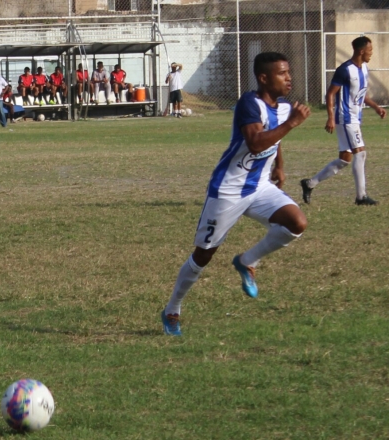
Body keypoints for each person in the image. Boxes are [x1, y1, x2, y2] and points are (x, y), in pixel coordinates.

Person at [160, 52, 311, 337]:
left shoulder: (283, 107)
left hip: (260, 186)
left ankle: (247, 260)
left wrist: (279, 166)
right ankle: (172, 309)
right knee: (203, 257)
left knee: (297, 223)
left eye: (289, 72)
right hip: (228, 190)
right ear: (264, 78)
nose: (289, 78)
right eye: (282, 73)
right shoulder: (248, 103)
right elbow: (255, 142)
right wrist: (292, 123)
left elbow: (274, 137)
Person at [300, 36, 386, 206]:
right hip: (345, 117)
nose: (371, 53)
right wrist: (330, 117)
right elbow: (331, 93)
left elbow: (361, 94)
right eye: (370, 50)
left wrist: (376, 107)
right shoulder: (345, 69)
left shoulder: (364, 68)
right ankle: (361, 197)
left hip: (355, 118)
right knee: (360, 153)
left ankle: (310, 183)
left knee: (344, 159)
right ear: (361, 51)